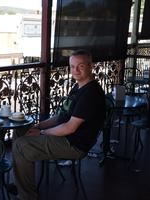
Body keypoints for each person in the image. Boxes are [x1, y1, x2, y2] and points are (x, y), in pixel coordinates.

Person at [12, 49, 106, 200]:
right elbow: (61, 117)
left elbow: (70, 127)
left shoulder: (91, 94)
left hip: (74, 144)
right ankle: (22, 183)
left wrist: (41, 133)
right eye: (72, 66)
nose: (75, 70)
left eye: (80, 66)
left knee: (20, 146)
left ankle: (27, 196)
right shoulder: (79, 87)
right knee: (19, 132)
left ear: (90, 66)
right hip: (65, 135)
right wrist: (38, 126)